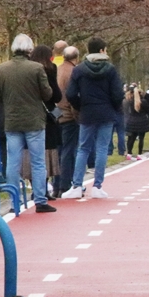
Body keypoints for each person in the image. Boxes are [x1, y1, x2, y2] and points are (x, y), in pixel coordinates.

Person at [0, 34, 56, 213]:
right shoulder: (36, 68)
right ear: (30, 49)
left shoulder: (1, 69)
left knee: (13, 161)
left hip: (12, 120)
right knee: (37, 161)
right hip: (34, 120)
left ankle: (14, 201)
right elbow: (47, 94)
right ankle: (40, 200)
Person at [62, 37, 124, 200]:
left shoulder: (79, 69)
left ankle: (76, 185)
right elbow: (118, 94)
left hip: (87, 112)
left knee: (83, 148)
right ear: (103, 50)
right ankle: (97, 186)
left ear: (88, 50)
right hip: (106, 112)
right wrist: (114, 107)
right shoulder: (110, 69)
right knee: (102, 148)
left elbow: (70, 94)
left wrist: (80, 106)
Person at [27, 45, 63, 198]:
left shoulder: (27, 69)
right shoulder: (50, 69)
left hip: (29, 113)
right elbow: (55, 95)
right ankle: (43, 188)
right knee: (47, 153)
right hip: (46, 115)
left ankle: (35, 188)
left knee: (30, 152)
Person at [56, 45, 80, 193]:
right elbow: (72, 96)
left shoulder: (58, 69)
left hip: (56, 115)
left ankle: (57, 183)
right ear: (76, 58)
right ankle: (65, 184)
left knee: (58, 151)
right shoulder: (73, 72)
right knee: (68, 151)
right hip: (68, 116)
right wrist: (77, 115)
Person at [124, 85, 149, 160]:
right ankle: (140, 154)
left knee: (131, 138)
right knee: (141, 138)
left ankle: (129, 153)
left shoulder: (130, 101)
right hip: (142, 121)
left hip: (132, 121)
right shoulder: (143, 102)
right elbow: (148, 110)